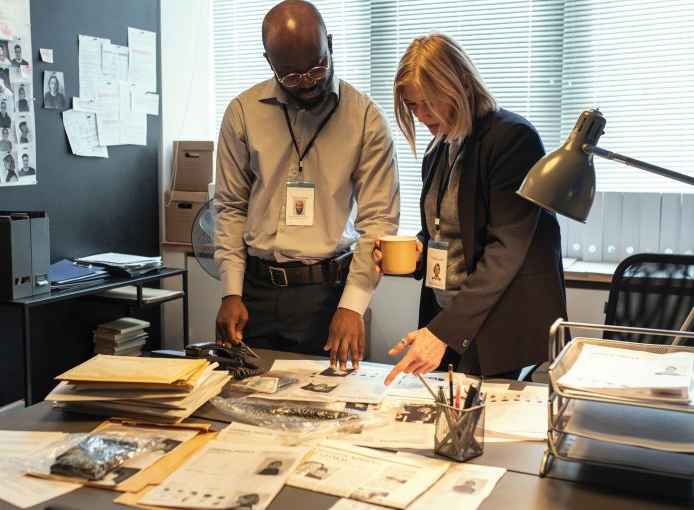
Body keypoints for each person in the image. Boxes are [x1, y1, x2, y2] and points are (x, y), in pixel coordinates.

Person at [213, 0, 399, 371]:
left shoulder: (365, 119)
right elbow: (230, 207)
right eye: (291, 76)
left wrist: (352, 306)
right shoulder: (242, 113)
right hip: (254, 292)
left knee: (324, 401)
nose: (309, 82)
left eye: (317, 67)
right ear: (269, 62)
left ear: (329, 43)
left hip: (326, 295)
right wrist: (231, 291)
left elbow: (378, 222)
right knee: (242, 397)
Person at [378, 33, 566, 382]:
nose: (421, 116)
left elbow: (506, 249)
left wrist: (443, 332)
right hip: (450, 317)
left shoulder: (512, 138)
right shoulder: (439, 147)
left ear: (463, 84)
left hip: (498, 322)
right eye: (412, 105)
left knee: (476, 413)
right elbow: (444, 230)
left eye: (429, 102)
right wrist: (419, 249)